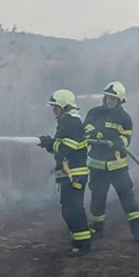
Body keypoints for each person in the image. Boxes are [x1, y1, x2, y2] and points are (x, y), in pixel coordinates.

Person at [83, 81, 139, 242]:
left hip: (117, 166)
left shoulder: (124, 118)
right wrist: (95, 135)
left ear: (120, 101)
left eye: (113, 99)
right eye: (108, 98)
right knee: (97, 198)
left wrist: (119, 143)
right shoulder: (94, 113)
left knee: (127, 198)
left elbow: (127, 137)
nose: (110, 101)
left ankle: (138, 232)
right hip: (97, 165)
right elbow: (86, 128)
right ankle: (96, 229)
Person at [38, 89, 93, 256]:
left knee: (73, 210)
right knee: (69, 210)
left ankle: (83, 246)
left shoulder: (72, 124)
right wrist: (50, 143)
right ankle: (79, 243)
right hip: (69, 175)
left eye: (56, 107)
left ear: (64, 106)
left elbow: (66, 149)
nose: (54, 111)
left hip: (74, 175)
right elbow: (61, 149)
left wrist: (50, 144)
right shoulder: (66, 123)